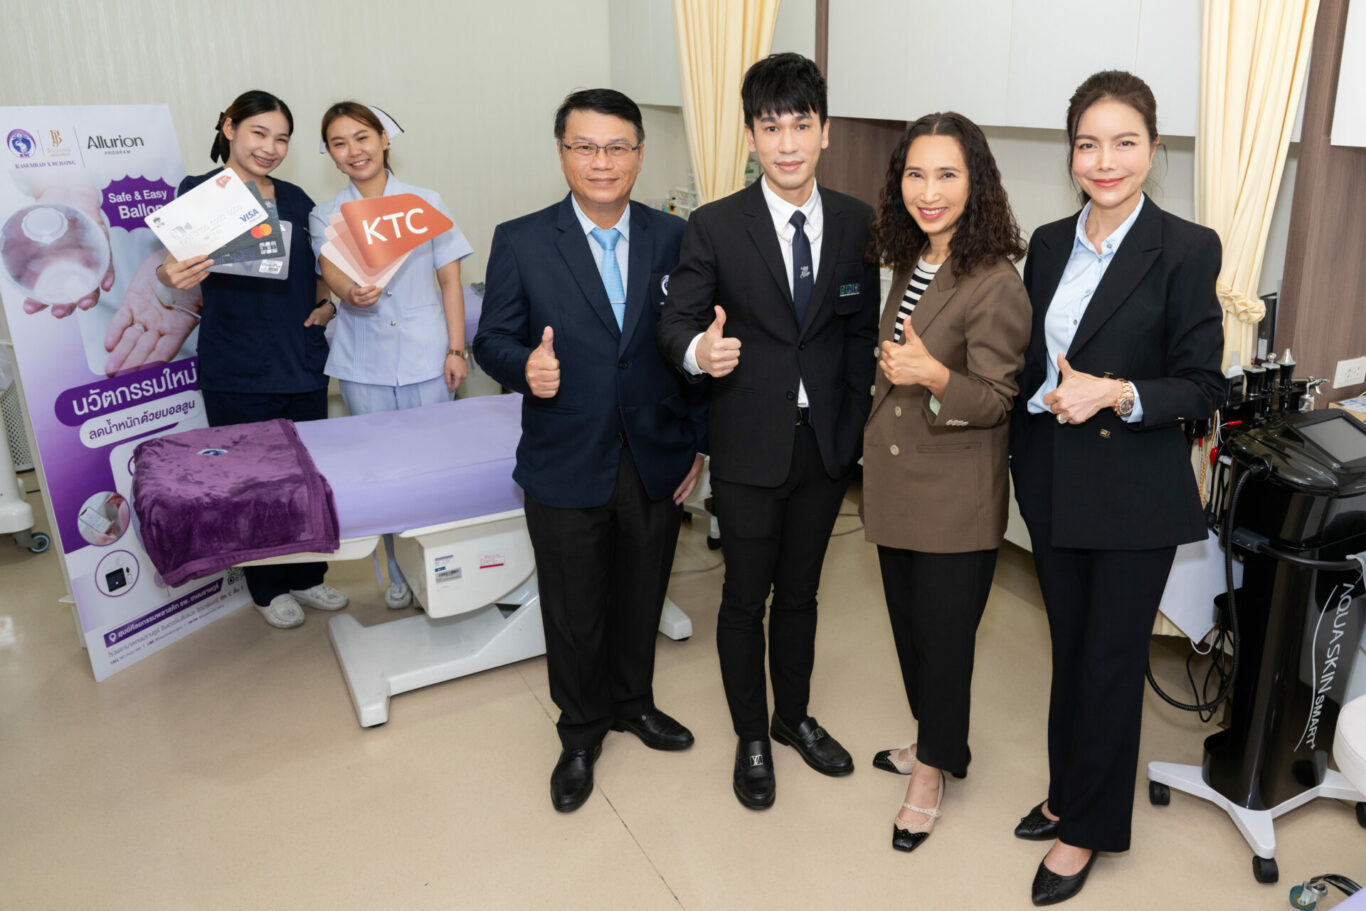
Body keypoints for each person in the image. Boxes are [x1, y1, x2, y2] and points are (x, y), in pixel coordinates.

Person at [1008, 70, 1223, 905]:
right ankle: (1068, 791)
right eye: (1089, 144)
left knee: (1109, 659)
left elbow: (1202, 385)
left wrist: (1118, 392)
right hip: (1051, 479)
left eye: (1125, 142)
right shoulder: (1048, 242)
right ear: (1071, 153)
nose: (1106, 161)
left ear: (1154, 149)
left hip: (1133, 491)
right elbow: (1033, 363)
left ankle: (1089, 829)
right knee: (1070, 649)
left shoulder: (1187, 247)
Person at [657, 53, 880, 810]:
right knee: (744, 598)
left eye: (801, 125)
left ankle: (794, 717)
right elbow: (676, 323)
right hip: (750, 445)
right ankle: (752, 734)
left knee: (803, 595)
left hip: (825, 448)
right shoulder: (716, 225)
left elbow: (857, 332)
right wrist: (700, 352)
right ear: (750, 136)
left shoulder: (855, 221)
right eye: (771, 127)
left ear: (825, 131)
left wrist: (851, 427)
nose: (787, 143)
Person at [472, 89, 705, 813]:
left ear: (640, 153)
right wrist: (524, 366)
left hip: (656, 454)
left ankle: (634, 702)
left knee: (643, 590)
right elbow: (491, 338)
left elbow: (693, 347)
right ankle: (579, 731)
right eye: (584, 146)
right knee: (573, 607)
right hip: (565, 453)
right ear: (562, 152)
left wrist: (698, 444)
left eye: (617, 147)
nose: (601, 162)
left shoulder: (677, 237)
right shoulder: (522, 240)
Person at [861, 112, 1030, 851]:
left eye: (947, 175)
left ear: (976, 181)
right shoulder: (915, 258)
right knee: (911, 634)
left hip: (955, 499)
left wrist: (932, 375)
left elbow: (995, 399)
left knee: (944, 643)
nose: (928, 192)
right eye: (915, 174)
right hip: (899, 484)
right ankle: (938, 741)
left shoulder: (994, 280)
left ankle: (930, 774)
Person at [158, 90, 349, 630]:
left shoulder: (296, 198)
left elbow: (321, 266)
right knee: (253, 484)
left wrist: (327, 304)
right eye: (258, 133)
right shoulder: (200, 192)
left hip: (299, 358)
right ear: (229, 128)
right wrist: (168, 276)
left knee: (308, 477)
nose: (270, 147)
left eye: (281, 139)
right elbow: (171, 267)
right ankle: (267, 587)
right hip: (236, 364)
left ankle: (308, 576)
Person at [312, 101, 474, 609]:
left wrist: (456, 349)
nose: (353, 151)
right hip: (364, 363)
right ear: (330, 154)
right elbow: (331, 269)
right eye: (339, 143)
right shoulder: (326, 213)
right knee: (381, 472)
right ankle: (398, 572)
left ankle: (443, 567)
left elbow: (450, 280)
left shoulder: (425, 202)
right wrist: (349, 292)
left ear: (384, 139)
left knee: (436, 466)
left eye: (362, 137)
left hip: (429, 355)